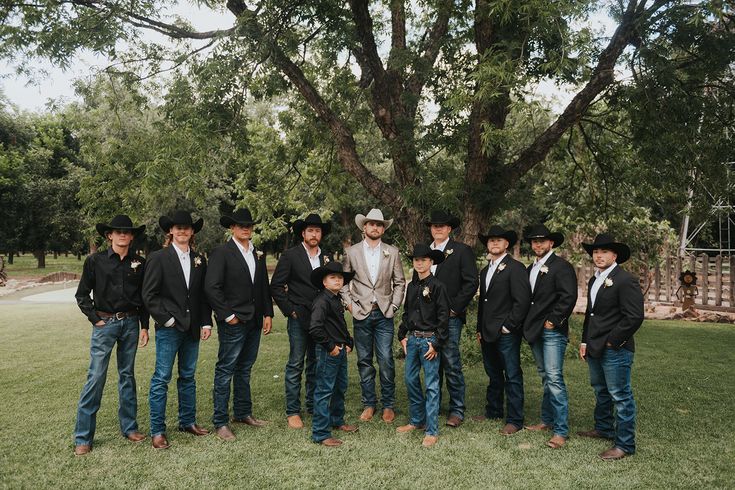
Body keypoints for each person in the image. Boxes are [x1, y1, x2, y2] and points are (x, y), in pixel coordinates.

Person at [73, 215, 150, 456]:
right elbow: (82, 295)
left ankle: (129, 427)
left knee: (127, 375)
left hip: (131, 323)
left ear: (132, 236)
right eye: (118, 232)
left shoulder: (140, 262)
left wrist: (145, 326)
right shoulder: (95, 261)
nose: (123, 235)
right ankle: (83, 437)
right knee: (96, 376)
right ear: (110, 235)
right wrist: (96, 319)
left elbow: (145, 298)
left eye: (127, 232)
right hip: (104, 323)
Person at [142, 210, 213, 449]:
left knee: (188, 377)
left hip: (193, 329)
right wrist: (168, 320)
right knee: (161, 378)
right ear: (170, 231)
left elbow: (203, 295)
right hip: (169, 329)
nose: (182, 230)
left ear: (192, 231)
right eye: (177, 227)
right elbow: (149, 296)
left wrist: (206, 322)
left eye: (187, 227)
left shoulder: (200, 259)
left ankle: (187, 421)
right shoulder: (158, 258)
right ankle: (158, 431)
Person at [205, 208, 274, 441]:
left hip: (254, 319)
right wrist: (228, 316)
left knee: (245, 368)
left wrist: (267, 313)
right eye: (241, 225)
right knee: (226, 370)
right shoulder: (222, 252)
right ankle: (221, 422)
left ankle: (243, 413)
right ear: (232, 228)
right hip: (233, 321)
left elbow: (263, 284)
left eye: (249, 225)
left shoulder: (258, 254)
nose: (246, 228)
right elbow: (212, 287)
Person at [578, 233, 644, 461]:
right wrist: (585, 341)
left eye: (604, 251)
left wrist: (612, 341)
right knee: (600, 389)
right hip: (594, 346)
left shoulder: (625, 280)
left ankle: (624, 444)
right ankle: (603, 428)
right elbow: (591, 314)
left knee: (620, 395)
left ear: (614, 255)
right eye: (595, 252)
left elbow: (634, 317)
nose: (598, 255)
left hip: (616, 348)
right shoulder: (594, 279)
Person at [341, 209, 405, 423]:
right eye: (371, 224)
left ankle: (388, 405)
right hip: (361, 314)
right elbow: (342, 283)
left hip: (384, 314)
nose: (375, 228)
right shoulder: (351, 252)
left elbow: (399, 282)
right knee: (364, 360)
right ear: (364, 227)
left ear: (383, 229)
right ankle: (369, 404)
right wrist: (350, 306)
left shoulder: (392, 252)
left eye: (379, 225)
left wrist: (394, 305)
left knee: (386, 359)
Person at [270, 213, 331, 429]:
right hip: (299, 317)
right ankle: (293, 411)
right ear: (303, 233)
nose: (314, 234)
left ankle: (313, 406)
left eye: (317, 230)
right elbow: (276, 286)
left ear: (321, 234)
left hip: (321, 319)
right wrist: (290, 311)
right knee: (296, 363)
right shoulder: (290, 256)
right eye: (310, 230)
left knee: (316, 363)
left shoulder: (327, 257)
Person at [521, 224, 578, 449]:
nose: (538, 244)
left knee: (554, 377)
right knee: (545, 375)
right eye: (534, 241)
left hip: (552, 331)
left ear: (551, 243)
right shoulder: (529, 269)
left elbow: (568, 297)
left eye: (542, 241)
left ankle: (561, 431)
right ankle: (546, 420)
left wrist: (553, 320)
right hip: (534, 330)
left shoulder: (561, 267)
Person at [474, 225, 530, 435]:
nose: (494, 243)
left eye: (499, 240)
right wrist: (479, 328)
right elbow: (484, 303)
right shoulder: (485, 270)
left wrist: (508, 326)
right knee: (493, 373)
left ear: (507, 244)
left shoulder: (515, 268)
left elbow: (522, 301)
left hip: (506, 332)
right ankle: (494, 411)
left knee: (512, 374)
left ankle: (515, 419)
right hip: (487, 331)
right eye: (491, 240)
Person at [424, 211, 478, 428]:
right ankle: (434, 406)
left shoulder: (461, 251)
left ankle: (457, 409)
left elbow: (471, 282)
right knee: (431, 362)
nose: (438, 228)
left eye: (442, 225)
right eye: (434, 225)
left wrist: (455, 309)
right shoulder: (425, 251)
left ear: (449, 229)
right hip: (428, 319)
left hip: (450, 318)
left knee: (451, 362)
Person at [396, 244, 450, 447]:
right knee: (410, 379)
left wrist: (436, 343)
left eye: (424, 259)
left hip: (429, 341)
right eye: (416, 259)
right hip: (412, 339)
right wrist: (402, 334)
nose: (419, 263)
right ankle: (417, 420)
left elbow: (444, 318)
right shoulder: (412, 286)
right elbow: (408, 312)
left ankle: (431, 430)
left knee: (431, 385)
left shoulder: (438, 286)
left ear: (431, 262)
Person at [309, 261, 358, 446]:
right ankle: (321, 433)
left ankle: (337, 420)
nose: (337, 280)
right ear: (324, 282)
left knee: (340, 387)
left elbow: (339, 325)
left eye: (340, 278)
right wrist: (331, 347)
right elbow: (315, 328)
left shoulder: (336, 299)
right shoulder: (321, 301)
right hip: (328, 352)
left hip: (340, 349)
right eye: (332, 277)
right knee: (324, 390)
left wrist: (348, 342)